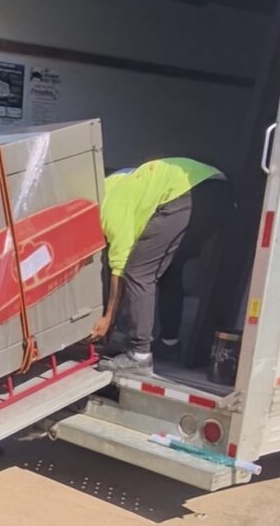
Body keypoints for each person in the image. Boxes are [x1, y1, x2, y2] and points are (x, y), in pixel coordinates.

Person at [90, 158, 233, 374]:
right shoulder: (111, 185)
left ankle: (139, 355)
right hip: (216, 191)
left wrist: (108, 318)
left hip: (188, 192)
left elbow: (119, 267)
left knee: (138, 273)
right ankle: (169, 344)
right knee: (168, 270)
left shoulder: (109, 211)